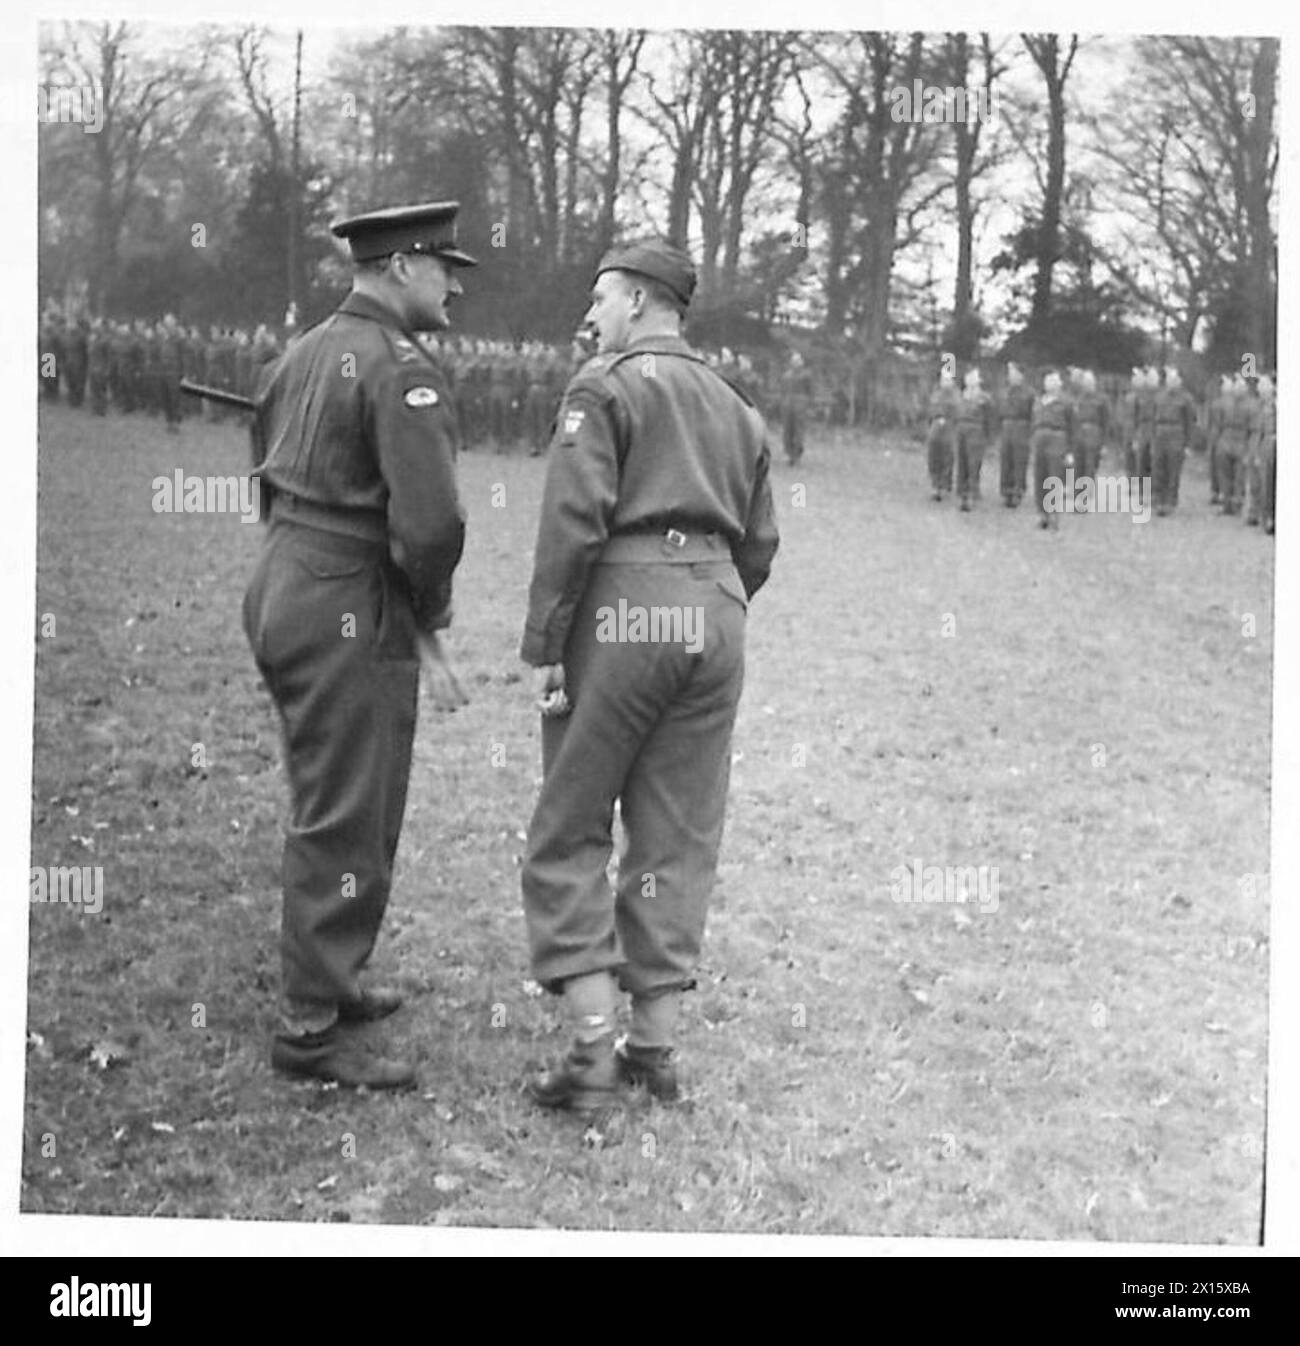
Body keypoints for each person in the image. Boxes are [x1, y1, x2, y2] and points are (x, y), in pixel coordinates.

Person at [519, 240, 779, 1112]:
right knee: (678, 832)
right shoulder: (736, 403)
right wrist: (708, 598)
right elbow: (762, 543)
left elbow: (572, 523)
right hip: (716, 606)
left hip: (626, 603)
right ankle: (654, 1050)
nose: (589, 318)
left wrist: (550, 644)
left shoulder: (604, 386)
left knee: (572, 820)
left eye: (600, 300)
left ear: (637, 301)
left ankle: (592, 1054)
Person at [243, 200, 477, 1089]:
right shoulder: (399, 366)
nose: (454, 282)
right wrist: (429, 619)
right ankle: (308, 1026)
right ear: (400, 266)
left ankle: (332, 983)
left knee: (339, 790)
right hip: (348, 594)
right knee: (348, 803)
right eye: (444, 266)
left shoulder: (301, 351)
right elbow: (433, 523)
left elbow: (262, 458)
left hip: (285, 577)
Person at [1031, 369, 1074, 531]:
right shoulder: (1038, 401)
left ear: (1060, 383)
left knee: (1054, 477)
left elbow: (1073, 427)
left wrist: (1070, 451)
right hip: (1039, 439)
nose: (1050, 384)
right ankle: (1042, 514)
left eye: (1054, 380)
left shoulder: (1066, 402)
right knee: (1039, 477)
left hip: (1057, 439)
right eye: (1047, 380)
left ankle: (1054, 513)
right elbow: (1033, 422)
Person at [1151, 366, 1195, 517]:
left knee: (1173, 469)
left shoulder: (1186, 399)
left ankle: (1170, 501)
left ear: (1179, 382)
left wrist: (1188, 444)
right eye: (1169, 379)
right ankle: (1158, 500)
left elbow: (1190, 422)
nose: (1171, 382)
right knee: (1158, 467)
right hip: (1160, 433)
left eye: (1174, 380)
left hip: (1177, 434)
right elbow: (1152, 418)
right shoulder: (1158, 396)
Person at [954, 367, 995, 511]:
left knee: (974, 463)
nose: (970, 380)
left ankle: (972, 492)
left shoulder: (985, 398)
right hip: (961, 430)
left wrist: (989, 438)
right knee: (962, 462)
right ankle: (962, 492)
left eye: (973, 378)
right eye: (968, 377)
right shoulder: (960, 396)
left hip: (976, 431)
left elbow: (990, 419)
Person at [998, 362, 1034, 508]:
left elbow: (1033, 414)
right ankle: (1006, 491)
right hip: (1007, 426)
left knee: (1019, 460)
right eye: (1009, 373)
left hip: (1021, 426)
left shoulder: (1029, 393)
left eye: (1013, 373)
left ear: (1021, 375)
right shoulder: (1005, 392)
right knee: (1006, 460)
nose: (1010, 376)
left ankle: (1017, 491)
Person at [925, 362, 959, 501]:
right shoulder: (935, 394)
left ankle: (945, 486)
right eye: (943, 379)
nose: (944, 382)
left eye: (947, 379)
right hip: (935, 427)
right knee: (933, 456)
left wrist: (947, 419)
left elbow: (957, 412)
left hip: (949, 427)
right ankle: (935, 484)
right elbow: (930, 410)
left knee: (947, 457)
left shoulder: (956, 396)